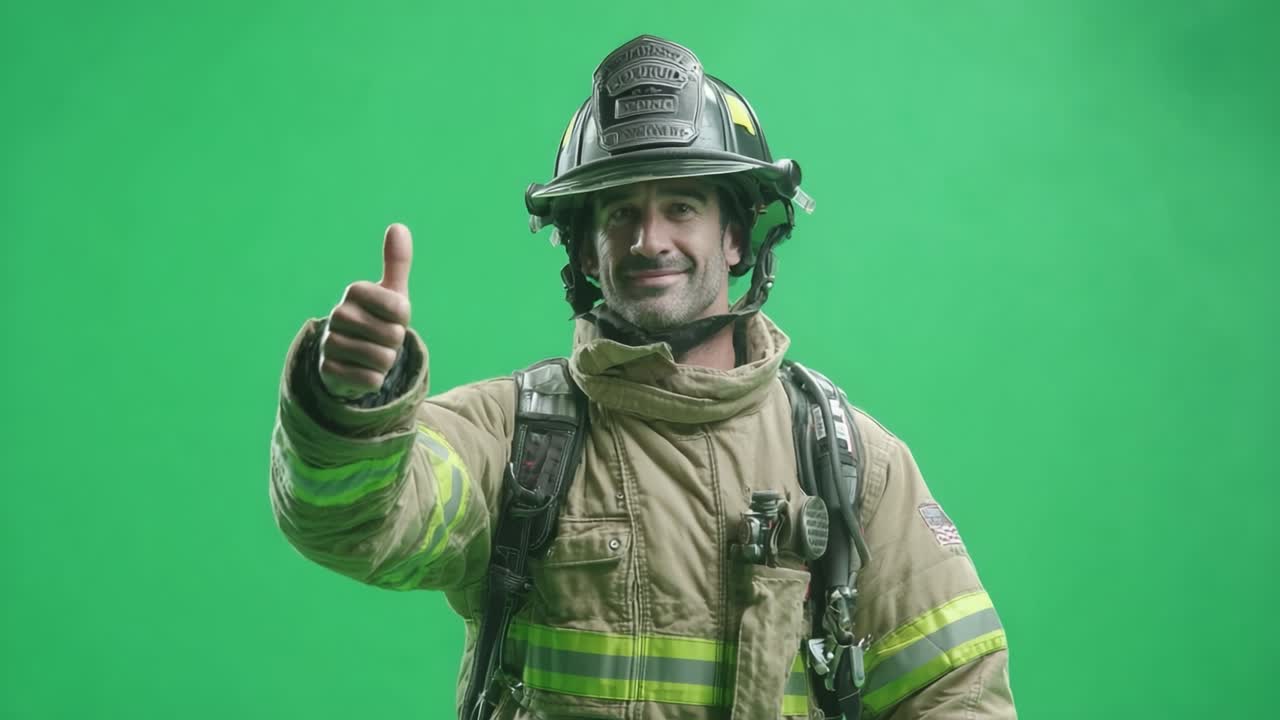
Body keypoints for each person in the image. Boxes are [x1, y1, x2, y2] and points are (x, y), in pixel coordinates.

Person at [269, 35, 1017, 719]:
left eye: (681, 207)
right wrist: (353, 404)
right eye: (620, 212)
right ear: (586, 254)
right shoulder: (512, 437)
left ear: (734, 238)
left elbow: (953, 691)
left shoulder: (850, 462)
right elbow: (360, 520)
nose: (649, 238)